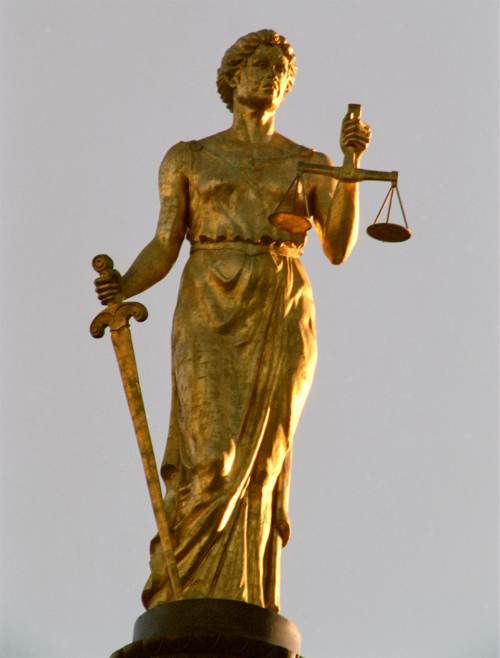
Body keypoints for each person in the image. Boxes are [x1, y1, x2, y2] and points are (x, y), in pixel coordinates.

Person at [95, 29, 370, 613]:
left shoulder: (308, 162)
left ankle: (249, 603)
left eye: (281, 71)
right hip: (207, 296)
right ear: (233, 78)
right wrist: (124, 285)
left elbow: (340, 246)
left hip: (281, 299)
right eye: (260, 65)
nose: (271, 76)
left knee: (264, 462)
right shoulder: (189, 156)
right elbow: (166, 243)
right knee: (211, 455)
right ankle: (180, 592)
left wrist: (349, 167)